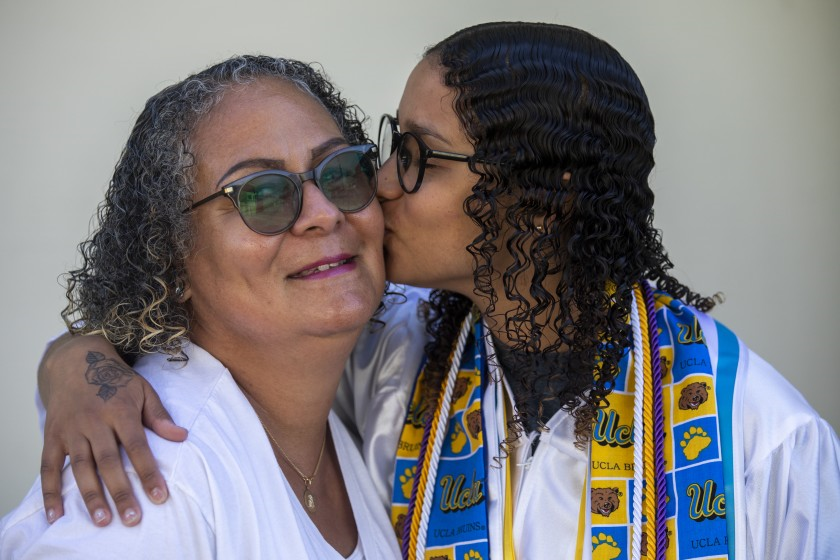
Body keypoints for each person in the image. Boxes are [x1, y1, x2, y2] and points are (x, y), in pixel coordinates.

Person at [28, 22, 840, 560]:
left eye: (415, 156)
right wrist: (80, 364)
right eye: (385, 149)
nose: (375, 187)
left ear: (544, 194)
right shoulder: (392, 351)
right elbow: (215, 323)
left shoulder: (762, 444)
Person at [0, 54, 401, 559]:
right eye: (261, 196)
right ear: (169, 255)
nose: (323, 213)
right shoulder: (151, 491)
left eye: (340, 171)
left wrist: (71, 356)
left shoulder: (355, 409)